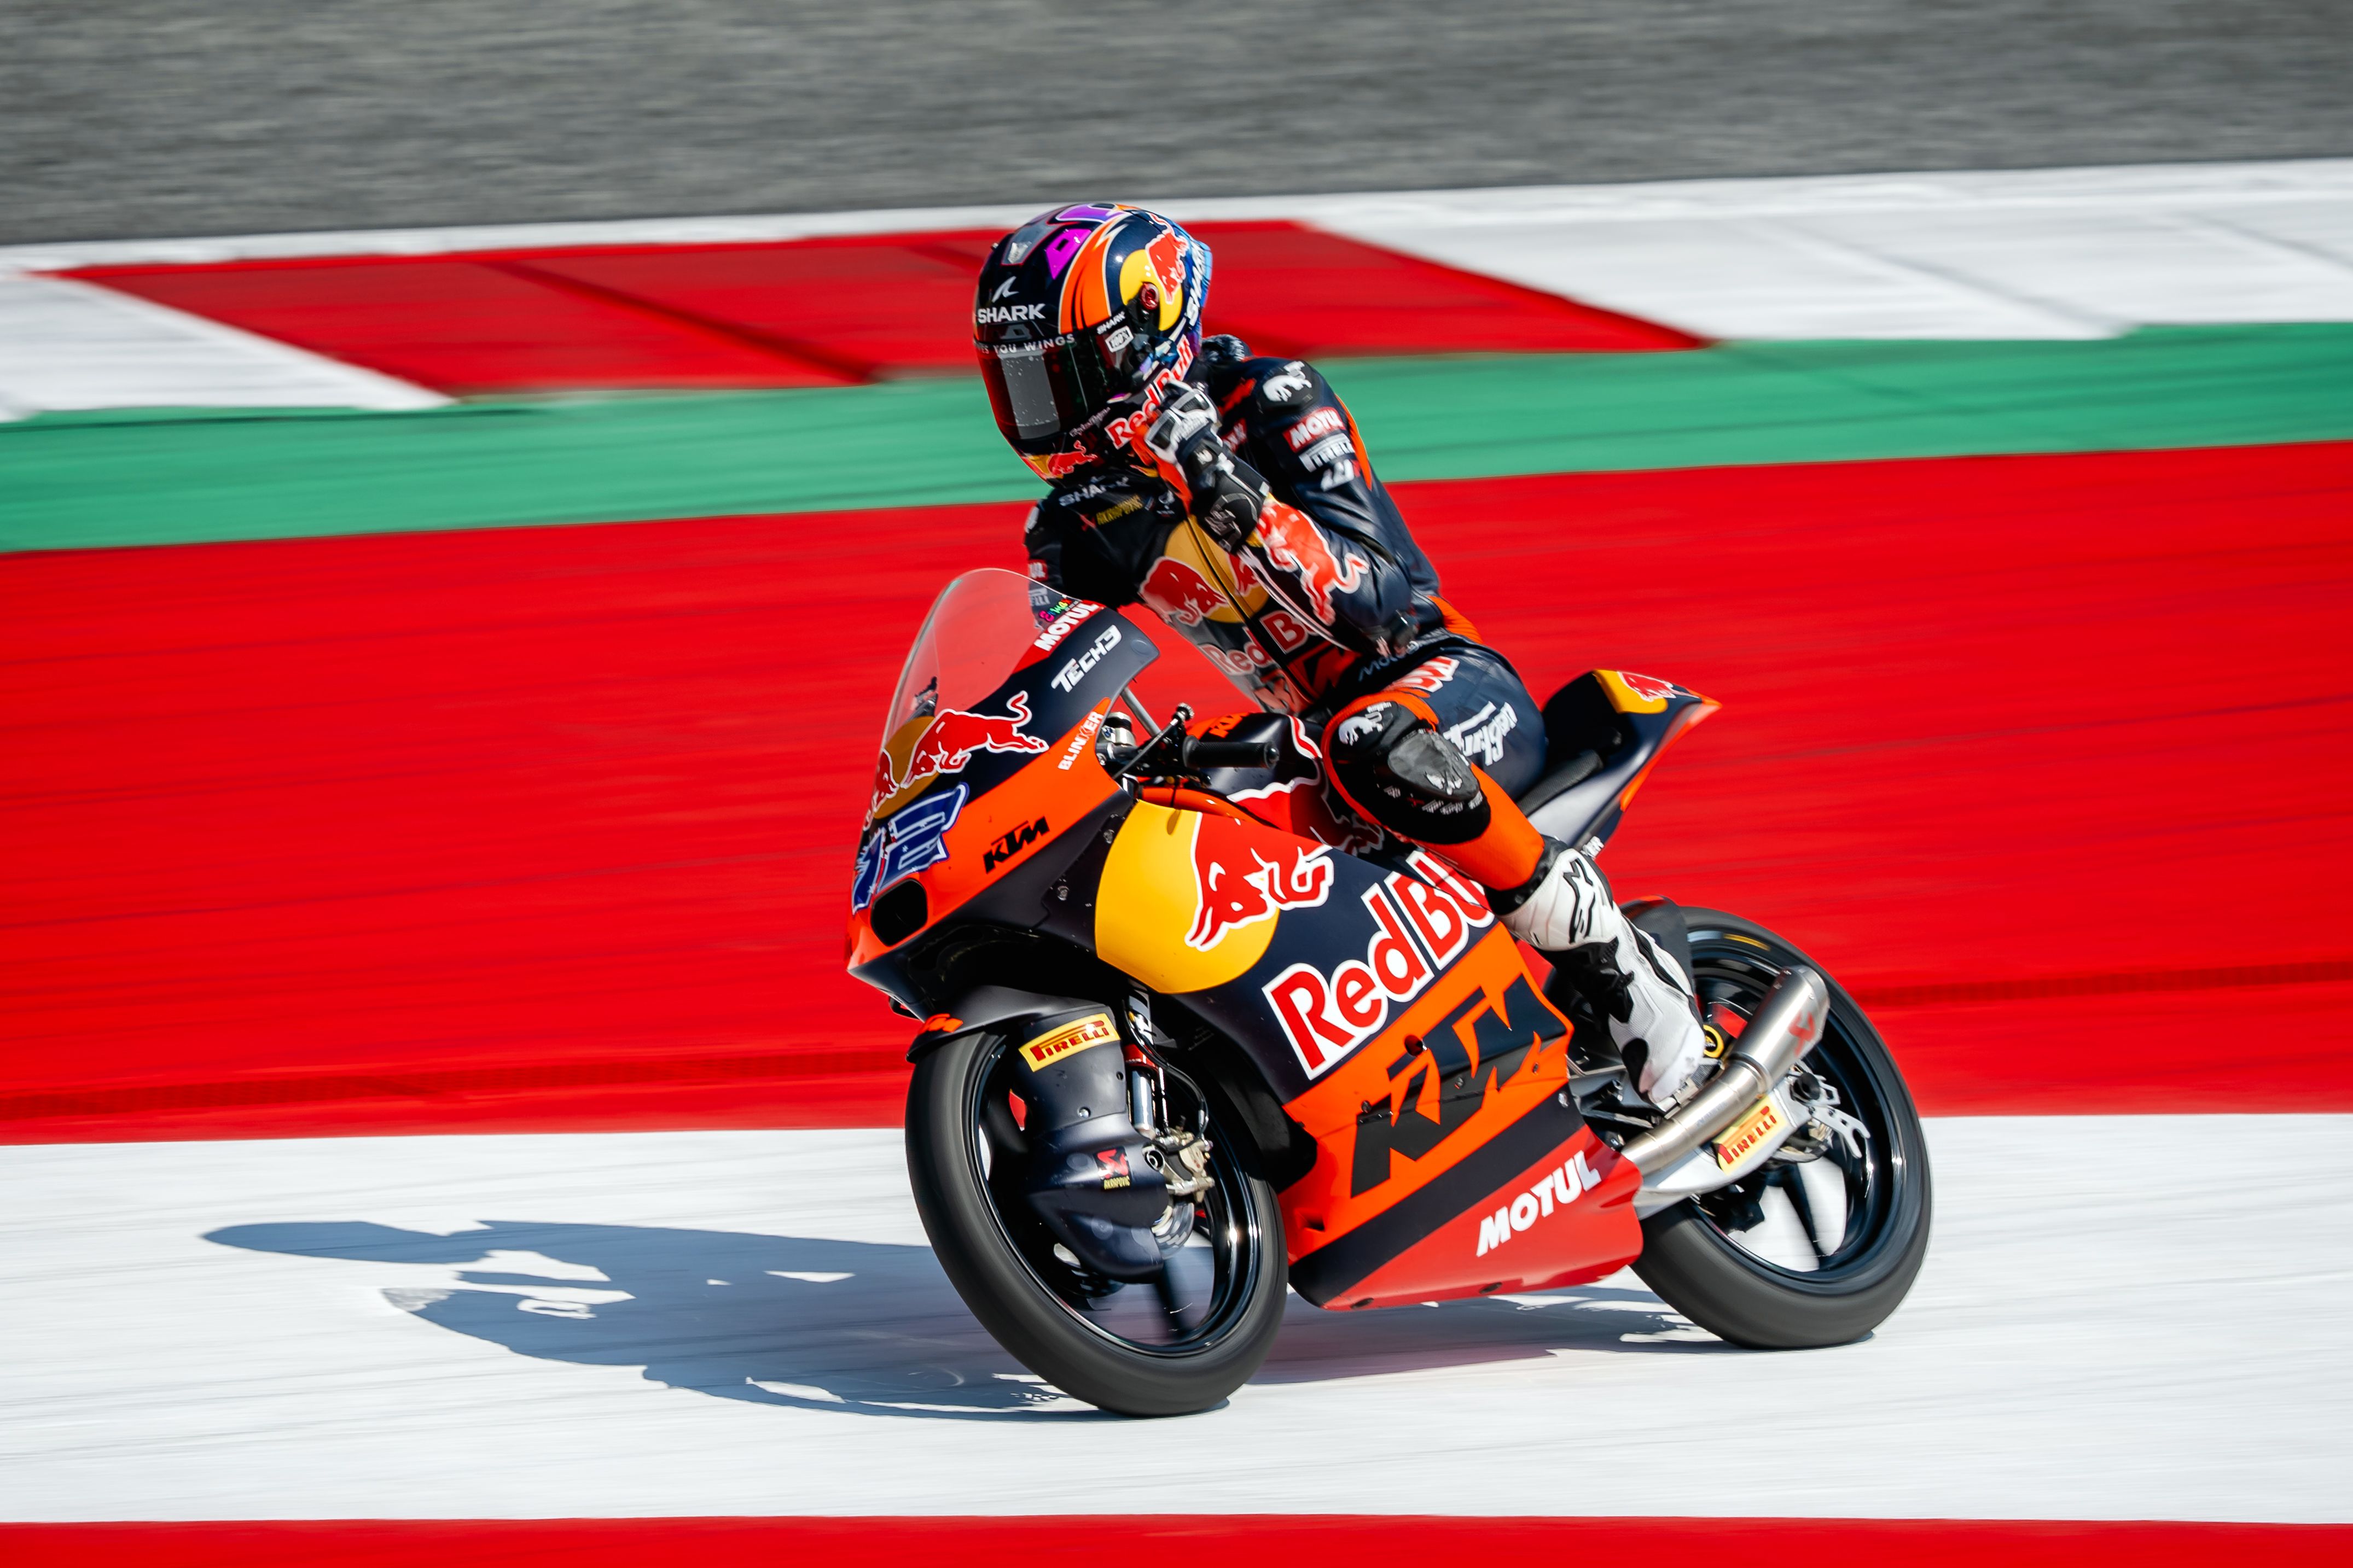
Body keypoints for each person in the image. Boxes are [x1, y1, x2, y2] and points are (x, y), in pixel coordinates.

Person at [975, 202, 1709, 1109]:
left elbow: (1379, 604)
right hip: (1307, 741)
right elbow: (1056, 659)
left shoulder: (1269, 402)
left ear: (1140, 342)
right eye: (1017, 382)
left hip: (1440, 685)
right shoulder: (1075, 520)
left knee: (1368, 739)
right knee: (1172, 827)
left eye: (1056, 375)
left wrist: (1225, 489)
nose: (1039, 411)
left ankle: (1621, 970)